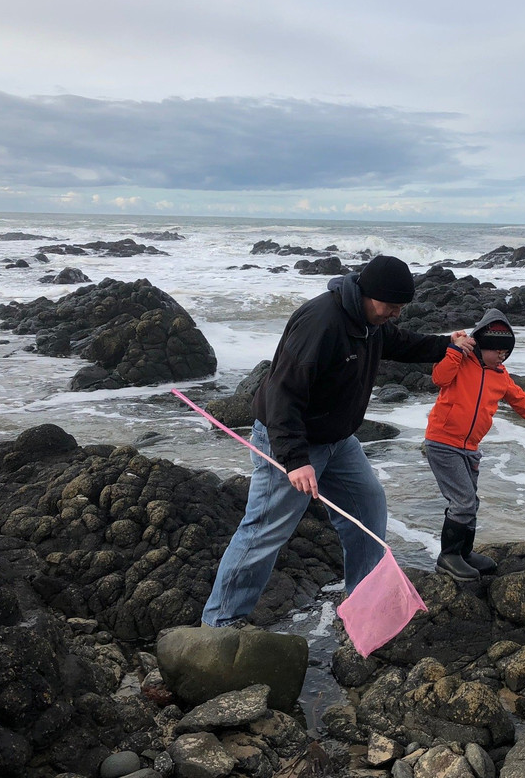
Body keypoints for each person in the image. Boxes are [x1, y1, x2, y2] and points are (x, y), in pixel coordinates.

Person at [202, 255, 475, 627]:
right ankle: (219, 623)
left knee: (369, 506)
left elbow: (401, 343)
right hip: (292, 438)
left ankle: (363, 603)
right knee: (265, 530)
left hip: (337, 441)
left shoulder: (370, 322)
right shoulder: (322, 322)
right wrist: (296, 459)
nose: (395, 313)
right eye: (391, 306)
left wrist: (448, 345)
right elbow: (284, 395)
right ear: (367, 292)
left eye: (400, 307)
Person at [424, 308, 525, 581]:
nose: (502, 356)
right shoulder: (461, 361)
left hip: (471, 447)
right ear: (482, 344)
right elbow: (438, 378)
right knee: (462, 501)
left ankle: (464, 552)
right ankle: (448, 556)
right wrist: (453, 349)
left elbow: (522, 401)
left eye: (506, 352)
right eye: (497, 350)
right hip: (442, 442)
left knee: (470, 502)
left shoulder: (501, 375)